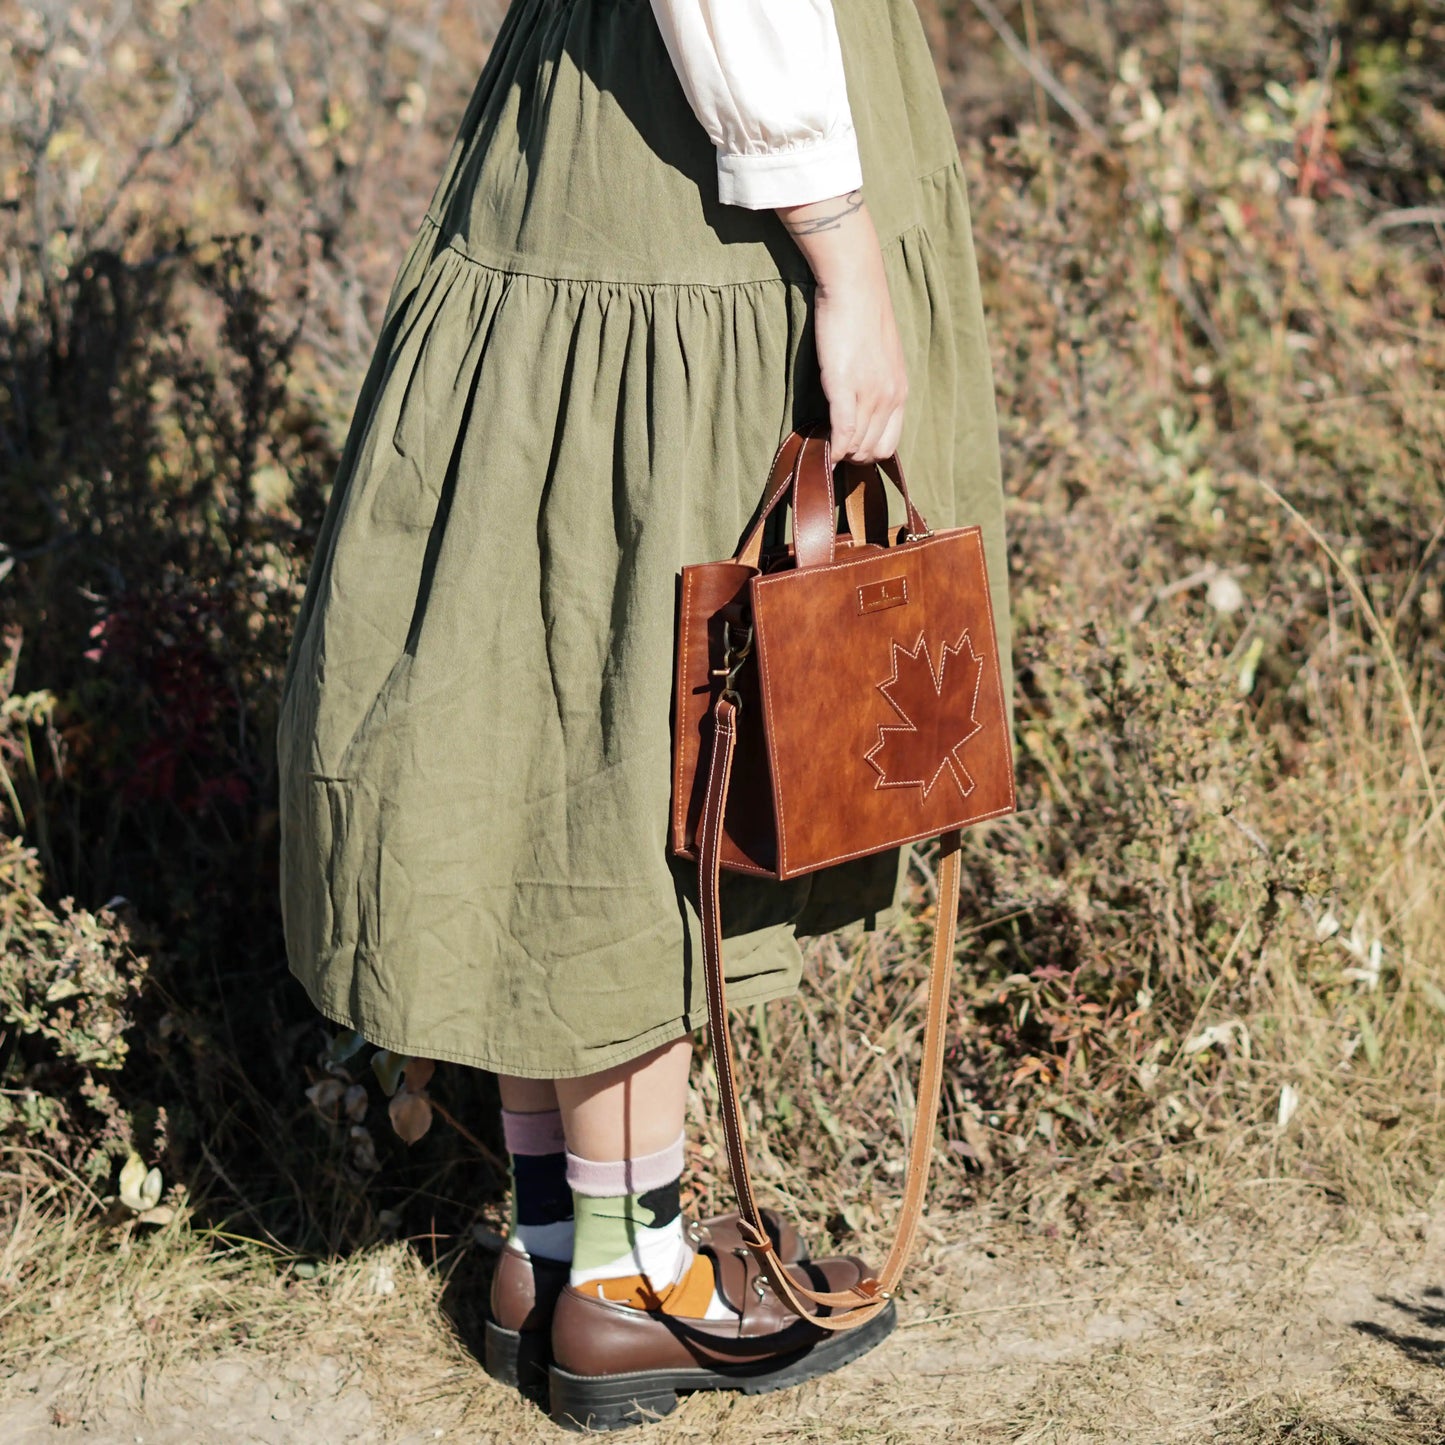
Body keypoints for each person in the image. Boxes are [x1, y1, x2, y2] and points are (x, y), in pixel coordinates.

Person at [275, 0, 1009, 1430]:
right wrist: (842, 249)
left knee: (565, 706)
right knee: (639, 735)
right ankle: (635, 1282)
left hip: (583, 152)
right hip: (697, 208)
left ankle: (552, 1247)